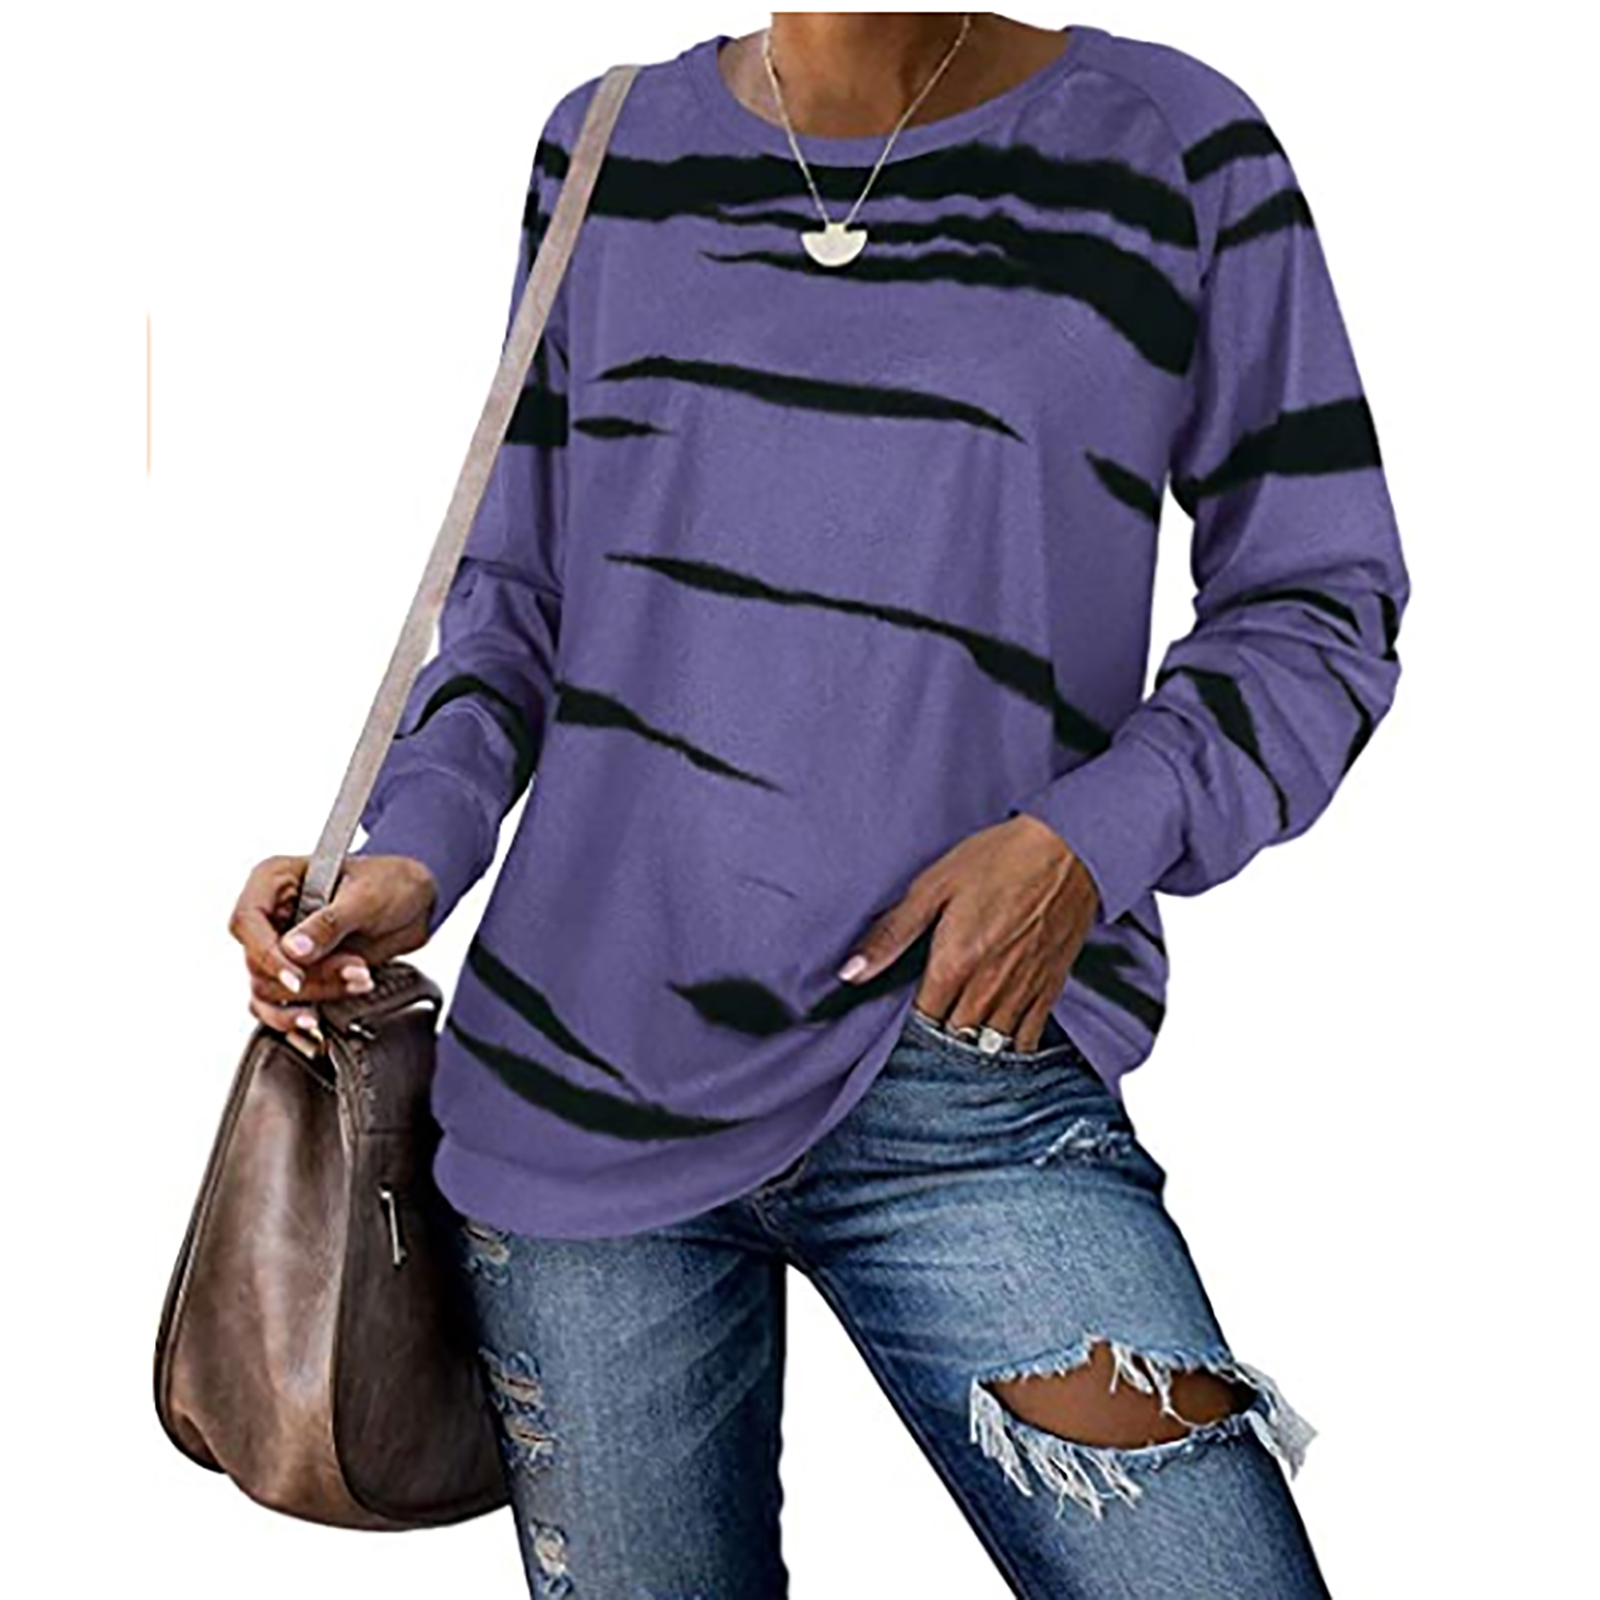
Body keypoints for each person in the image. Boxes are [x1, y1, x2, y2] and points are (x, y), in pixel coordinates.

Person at [229, 14, 1406, 1595]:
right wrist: (412, 856)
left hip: (964, 1079)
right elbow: (516, 604)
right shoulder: (605, 147)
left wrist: (1086, 843)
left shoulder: (1174, 146)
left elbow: (1319, 603)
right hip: (579, 1089)